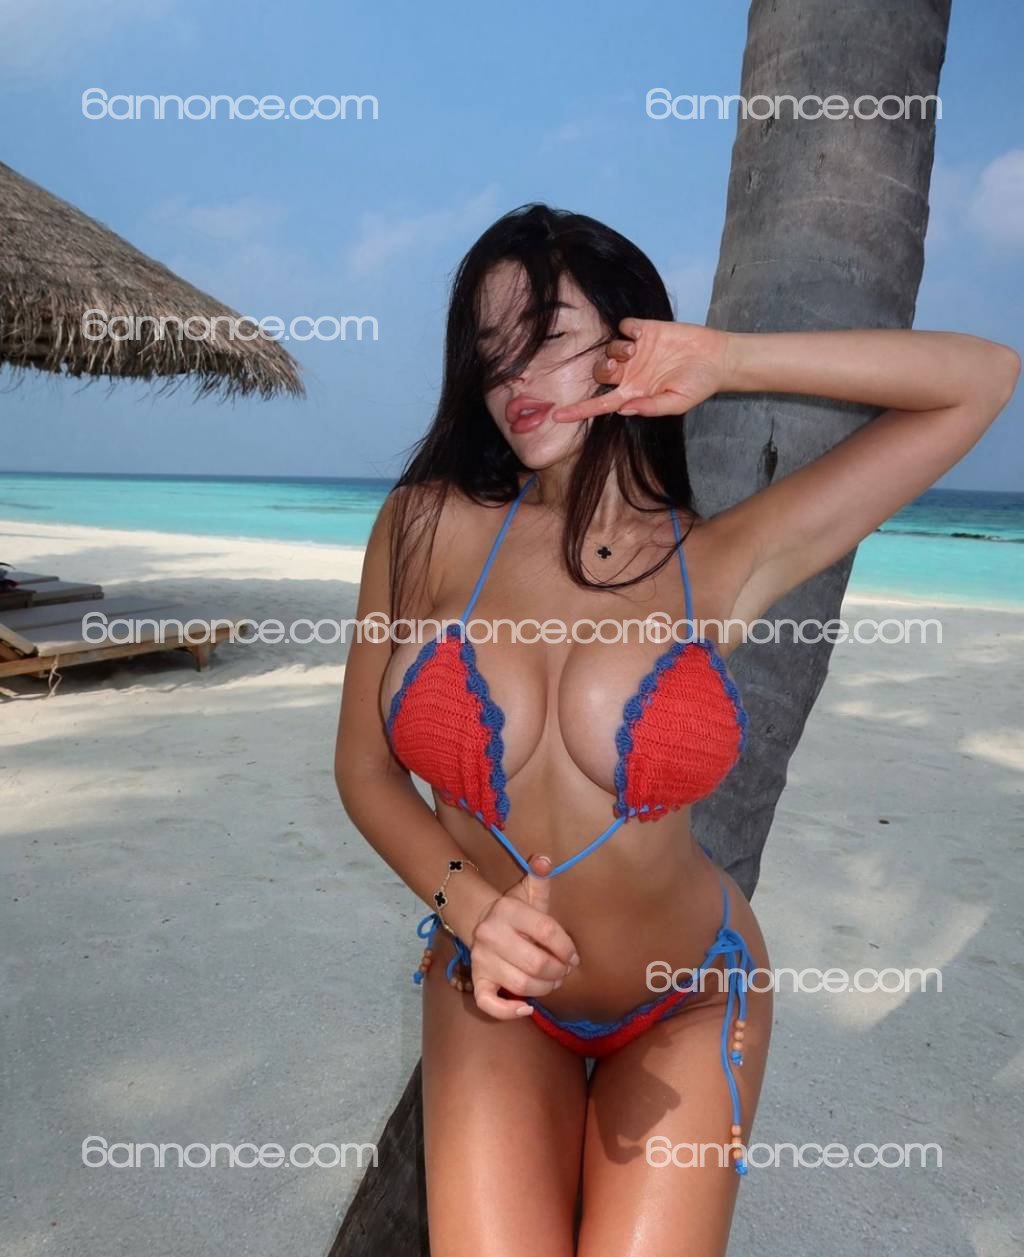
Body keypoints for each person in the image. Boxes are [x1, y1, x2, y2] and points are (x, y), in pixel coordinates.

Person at [334, 202, 1019, 1256]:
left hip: (691, 995)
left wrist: (727, 360)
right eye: (490, 348)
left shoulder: (721, 558)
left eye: (548, 338)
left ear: (627, 344)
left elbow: (981, 377)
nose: (514, 377)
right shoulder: (422, 527)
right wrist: (469, 908)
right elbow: (364, 770)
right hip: (493, 991)